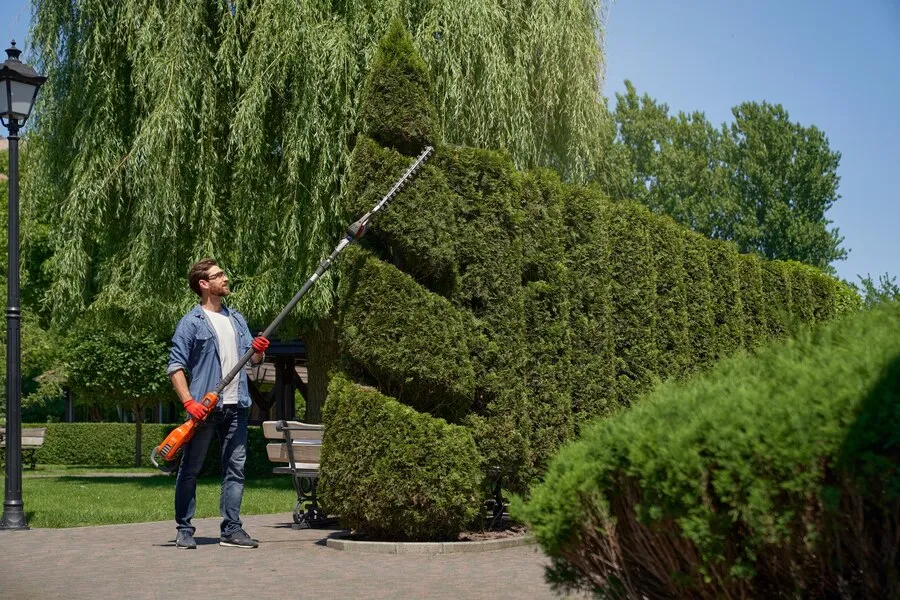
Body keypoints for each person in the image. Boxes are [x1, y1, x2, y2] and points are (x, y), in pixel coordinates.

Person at [167, 258, 270, 549]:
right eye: (219, 275)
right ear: (203, 284)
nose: (226, 278)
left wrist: (259, 351)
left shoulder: (236, 319)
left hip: (238, 405)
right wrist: (189, 403)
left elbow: (254, 360)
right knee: (191, 469)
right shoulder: (191, 322)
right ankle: (185, 529)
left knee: (235, 469)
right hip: (205, 408)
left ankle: (232, 529)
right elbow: (175, 366)